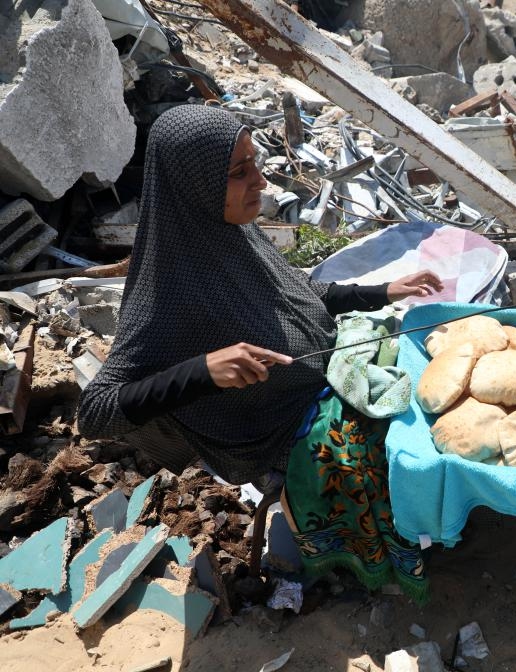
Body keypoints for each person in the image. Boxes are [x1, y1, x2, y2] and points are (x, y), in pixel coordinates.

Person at [77, 104, 443, 602]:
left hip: (329, 370)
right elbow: (94, 413)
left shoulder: (233, 232)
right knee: (408, 442)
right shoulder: (166, 294)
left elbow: (299, 292)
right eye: (239, 172)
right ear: (195, 186)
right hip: (280, 430)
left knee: (430, 375)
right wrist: (202, 371)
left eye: (256, 163)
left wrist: (382, 291)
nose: (262, 182)